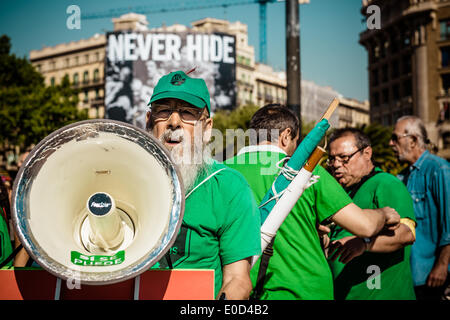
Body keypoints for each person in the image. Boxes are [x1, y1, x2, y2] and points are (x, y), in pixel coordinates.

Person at [224, 104, 401, 300]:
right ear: (286, 136)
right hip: (304, 291)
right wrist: (384, 214)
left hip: (238, 293)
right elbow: (365, 226)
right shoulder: (306, 171)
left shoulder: (222, 173)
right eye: (296, 141)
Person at [146, 70, 261, 300]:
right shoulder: (125, 179)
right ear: (149, 121)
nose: (174, 122)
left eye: (187, 113)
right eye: (164, 111)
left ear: (207, 128)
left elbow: (237, 279)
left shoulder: (229, 187)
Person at [326, 128, 416, 300]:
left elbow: (407, 234)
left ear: (367, 153)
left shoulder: (386, 183)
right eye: (332, 159)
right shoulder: (344, 192)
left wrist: (364, 244)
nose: (336, 164)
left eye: (344, 158)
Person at [390, 115, 450, 300]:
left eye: (395, 137)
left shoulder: (439, 169)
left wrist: (442, 266)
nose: (390, 143)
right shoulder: (402, 177)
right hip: (411, 276)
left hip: (435, 276)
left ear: (414, 140)